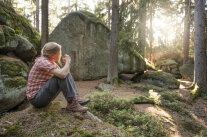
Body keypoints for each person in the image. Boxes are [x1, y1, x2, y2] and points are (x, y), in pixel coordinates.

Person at [26, 42, 89, 112]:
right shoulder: (43, 62)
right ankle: (72, 104)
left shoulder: (50, 61)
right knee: (60, 76)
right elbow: (62, 75)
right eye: (59, 53)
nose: (60, 55)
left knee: (64, 73)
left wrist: (67, 64)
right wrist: (67, 62)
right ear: (53, 55)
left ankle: (75, 99)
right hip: (36, 99)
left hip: (42, 95)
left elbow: (66, 74)